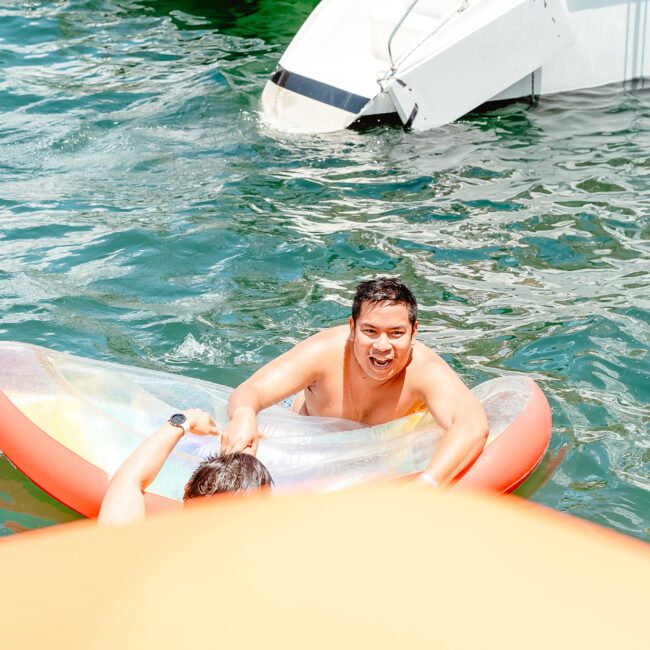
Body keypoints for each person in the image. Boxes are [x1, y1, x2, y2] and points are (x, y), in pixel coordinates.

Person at [221, 277, 489, 488]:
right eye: (370, 331)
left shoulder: (423, 369)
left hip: (383, 458)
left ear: (413, 333)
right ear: (352, 328)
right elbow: (250, 390)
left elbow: (472, 424)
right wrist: (244, 415)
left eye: (396, 333)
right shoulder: (324, 353)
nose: (383, 346)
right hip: (309, 443)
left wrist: (427, 485)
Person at [98, 408, 273, 526]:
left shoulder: (125, 551)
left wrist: (187, 420)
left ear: (187, 487)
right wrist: (247, 471)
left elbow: (129, 480)